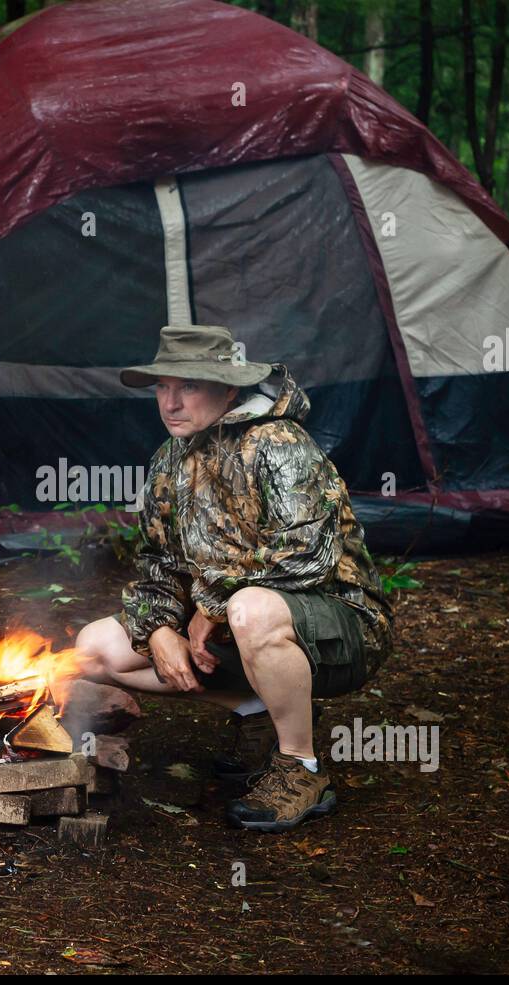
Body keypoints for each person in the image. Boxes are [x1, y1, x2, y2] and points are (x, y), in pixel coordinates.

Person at [75, 324, 393, 832]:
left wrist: (212, 607)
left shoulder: (279, 443)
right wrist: (159, 631)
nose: (171, 403)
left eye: (189, 386)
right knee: (96, 647)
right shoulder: (168, 462)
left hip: (339, 626)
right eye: (162, 386)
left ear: (227, 388)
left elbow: (307, 555)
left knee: (250, 608)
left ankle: (301, 767)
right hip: (240, 626)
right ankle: (258, 714)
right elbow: (157, 567)